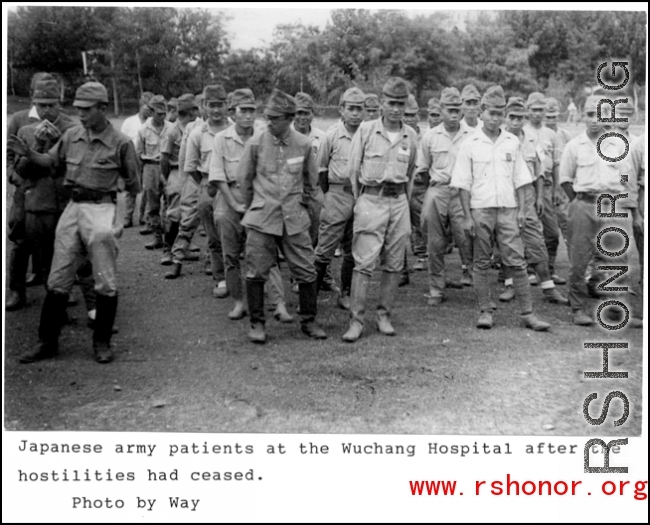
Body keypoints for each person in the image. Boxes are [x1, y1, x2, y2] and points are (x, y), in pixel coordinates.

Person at [8, 81, 140, 363]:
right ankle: (47, 342)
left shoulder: (121, 143)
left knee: (104, 281)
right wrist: (29, 153)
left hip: (102, 209)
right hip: (73, 208)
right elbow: (50, 162)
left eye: (86, 109)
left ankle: (101, 342)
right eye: (77, 108)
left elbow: (132, 187)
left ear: (103, 108)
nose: (80, 114)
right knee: (58, 277)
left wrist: (121, 221)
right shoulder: (72, 135)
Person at [450, 85, 550, 331]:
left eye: (500, 113)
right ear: (482, 112)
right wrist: (466, 217)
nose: (496, 118)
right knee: (481, 262)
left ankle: (527, 313)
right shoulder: (469, 143)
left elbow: (522, 180)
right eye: (491, 112)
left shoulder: (512, 142)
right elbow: (462, 184)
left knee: (516, 261)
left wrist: (523, 211)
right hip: (480, 209)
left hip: (507, 210)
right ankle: (485, 311)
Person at [237, 89, 326, 343]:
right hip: (262, 218)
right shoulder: (255, 143)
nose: (268, 122)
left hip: (294, 218)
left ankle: (309, 321)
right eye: (267, 117)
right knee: (255, 271)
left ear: (288, 118)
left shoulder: (304, 144)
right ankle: (257, 325)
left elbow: (311, 184)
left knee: (307, 270)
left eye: (274, 118)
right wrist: (253, 208)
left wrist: (303, 209)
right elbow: (243, 180)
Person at [342, 77, 418, 342]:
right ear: (382, 103)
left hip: (398, 203)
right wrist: (361, 201)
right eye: (391, 103)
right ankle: (356, 321)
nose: (396, 109)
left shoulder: (411, 135)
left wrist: (402, 203)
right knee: (363, 263)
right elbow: (353, 171)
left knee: (395, 263)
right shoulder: (365, 130)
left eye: (400, 104)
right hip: (371, 199)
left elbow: (411, 174)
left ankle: (384, 316)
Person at [559, 95, 642, 328]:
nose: (594, 120)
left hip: (614, 205)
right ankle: (576, 308)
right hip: (584, 204)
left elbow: (627, 175)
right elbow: (565, 179)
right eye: (588, 115)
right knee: (579, 258)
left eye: (599, 115)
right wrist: (578, 202)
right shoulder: (574, 146)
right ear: (582, 117)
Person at [6, 79, 76, 311]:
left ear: (60, 103)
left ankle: (59, 295)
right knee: (21, 238)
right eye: (41, 104)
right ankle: (16, 290)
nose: (46, 110)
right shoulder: (22, 125)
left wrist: (56, 143)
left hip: (61, 197)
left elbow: (74, 166)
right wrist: (35, 145)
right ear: (34, 102)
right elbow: (19, 167)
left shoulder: (70, 127)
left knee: (63, 247)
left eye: (52, 104)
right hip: (28, 195)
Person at [499, 96, 568, 306]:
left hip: (529, 195)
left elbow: (539, 172)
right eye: (512, 117)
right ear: (505, 117)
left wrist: (539, 197)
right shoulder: (499, 140)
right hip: (506, 195)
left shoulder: (532, 139)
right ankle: (511, 286)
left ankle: (548, 288)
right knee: (509, 242)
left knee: (536, 241)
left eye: (520, 117)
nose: (516, 122)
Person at [166, 85, 228, 300]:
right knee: (211, 236)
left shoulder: (234, 130)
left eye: (220, 104)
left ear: (227, 105)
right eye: (212, 105)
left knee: (235, 235)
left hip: (232, 189)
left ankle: (235, 277)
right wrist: (205, 186)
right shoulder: (196, 134)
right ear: (204, 107)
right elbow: (190, 167)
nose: (216, 110)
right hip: (207, 186)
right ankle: (220, 278)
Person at [417, 87, 475, 306]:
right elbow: (422, 170)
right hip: (438, 189)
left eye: (457, 110)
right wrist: (433, 191)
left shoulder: (471, 135)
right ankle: (436, 288)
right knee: (435, 242)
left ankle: (479, 285)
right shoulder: (430, 136)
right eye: (449, 110)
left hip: (463, 192)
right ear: (441, 110)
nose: (453, 114)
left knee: (468, 238)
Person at [313, 87, 366, 311]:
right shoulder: (331, 136)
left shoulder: (368, 134)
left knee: (353, 250)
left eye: (359, 108)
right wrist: (329, 196)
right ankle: (310, 297)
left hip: (361, 196)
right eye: (350, 108)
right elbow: (321, 168)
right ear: (341, 110)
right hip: (336, 194)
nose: (355, 113)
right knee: (324, 249)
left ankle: (345, 293)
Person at [209, 88, 258, 320]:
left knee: (256, 255)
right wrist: (235, 205)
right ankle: (239, 302)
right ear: (232, 113)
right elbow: (217, 178)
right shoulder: (221, 139)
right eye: (243, 111)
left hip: (257, 202)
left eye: (252, 111)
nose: (248, 116)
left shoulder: (261, 138)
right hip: (228, 201)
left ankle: (256, 300)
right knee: (231, 256)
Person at [6, 72, 56, 300]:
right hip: (25, 189)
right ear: (32, 96)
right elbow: (8, 155)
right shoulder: (19, 119)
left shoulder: (62, 121)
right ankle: (16, 290)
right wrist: (12, 176)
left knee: (53, 240)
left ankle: (52, 288)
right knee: (21, 238)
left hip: (52, 191)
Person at [524, 92, 564, 285]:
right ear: (527, 110)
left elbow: (556, 163)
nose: (538, 114)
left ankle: (549, 268)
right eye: (534, 110)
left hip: (547, 186)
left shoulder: (551, 134)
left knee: (552, 233)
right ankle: (529, 268)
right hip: (527, 186)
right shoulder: (522, 132)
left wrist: (557, 188)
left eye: (541, 110)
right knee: (527, 229)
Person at [159, 93, 199, 265]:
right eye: (194, 110)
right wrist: (169, 177)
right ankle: (168, 249)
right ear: (190, 112)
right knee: (174, 213)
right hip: (177, 171)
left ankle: (184, 248)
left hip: (191, 173)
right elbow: (164, 158)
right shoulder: (172, 131)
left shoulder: (194, 127)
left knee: (189, 213)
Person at [135, 95, 173, 250]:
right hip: (150, 166)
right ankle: (157, 236)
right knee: (153, 204)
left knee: (170, 202)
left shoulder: (171, 128)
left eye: (164, 113)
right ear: (151, 112)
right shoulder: (143, 129)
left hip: (168, 167)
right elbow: (138, 153)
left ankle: (169, 238)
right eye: (158, 113)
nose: (162, 116)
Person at [402, 94, 428, 277]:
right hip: (401, 185)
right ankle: (401, 265)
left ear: (418, 115)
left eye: (413, 114)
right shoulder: (400, 135)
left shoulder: (425, 136)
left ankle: (422, 256)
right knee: (401, 225)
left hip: (420, 184)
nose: (410, 118)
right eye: (407, 114)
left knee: (421, 222)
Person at [120, 91, 153, 228]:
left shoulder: (153, 123)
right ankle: (127, 217)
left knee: (147, 189)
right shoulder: (129, 122)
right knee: (131, 188)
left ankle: (144, 217)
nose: (149, 110)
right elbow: (121, 140)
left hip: (147, 158)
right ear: (141, 105)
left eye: (151, 108)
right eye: (146, 106)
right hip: (131, 158)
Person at [544, 97, 573, 243]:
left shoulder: (565, 135)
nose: (551, 120)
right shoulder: (540, 135)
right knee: (547, 227)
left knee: (566, 222)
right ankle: (548, 262)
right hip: (545, 184)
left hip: (562, 185)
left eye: (554, 117)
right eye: (548, 117)